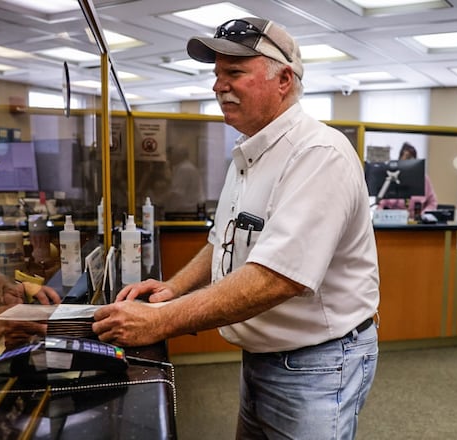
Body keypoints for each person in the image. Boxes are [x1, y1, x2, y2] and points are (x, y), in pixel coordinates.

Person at [92, 17, 380, 439]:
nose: (218, 86)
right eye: (217, 74)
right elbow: (223, 241)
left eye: (234, 72)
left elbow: (275, 278)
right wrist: (174, 287)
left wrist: (161, 321)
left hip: (316, 363)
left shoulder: (319, 154)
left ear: (283, 80)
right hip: (261, 354)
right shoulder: (251, 151)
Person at [377, 142, 438, 218]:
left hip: (417, 220)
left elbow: (432, 202)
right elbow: (381, 204)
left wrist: (423, 215)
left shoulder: (424, 178)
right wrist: (379, 216)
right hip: (394, 220)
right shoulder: (392, 177)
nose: (410, 161)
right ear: (400, 159)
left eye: (413, 157)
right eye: (407, 157)